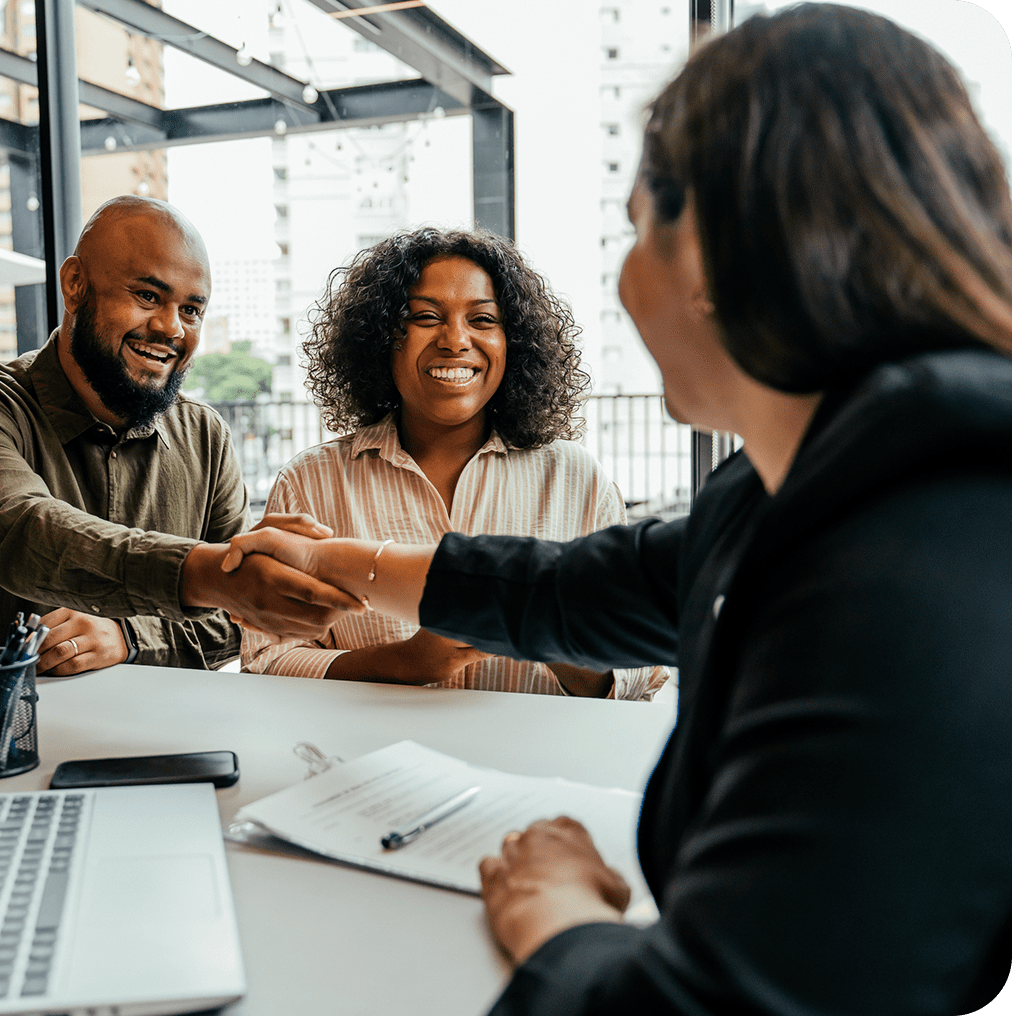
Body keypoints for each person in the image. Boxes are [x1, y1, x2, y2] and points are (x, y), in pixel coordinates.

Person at [219, 6, 1012, 1013]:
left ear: (721, 255)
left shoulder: (921, 559)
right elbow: (592, 583)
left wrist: (555, 913)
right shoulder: (803, 480)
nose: (625, 275)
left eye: (636, 224)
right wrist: (346, 565)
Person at [0, 195, 361, 675]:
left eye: (191, 310)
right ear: (75, 284)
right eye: (147, 296)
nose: (170, 328)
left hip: (159, 737)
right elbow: (21, 535)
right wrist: (211, 575)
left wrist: (131, 636)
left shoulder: (205, 435)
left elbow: (241, 622)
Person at [242, 227, 668, 698]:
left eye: (483, 319)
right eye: (425, 317)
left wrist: (545, 630)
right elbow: (266, 659)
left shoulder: (576, 481)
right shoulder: (311, 482)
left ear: (515, 343)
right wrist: (401, 664)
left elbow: (642, 671)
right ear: (382, 337)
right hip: (366, 762)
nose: (455, 340)